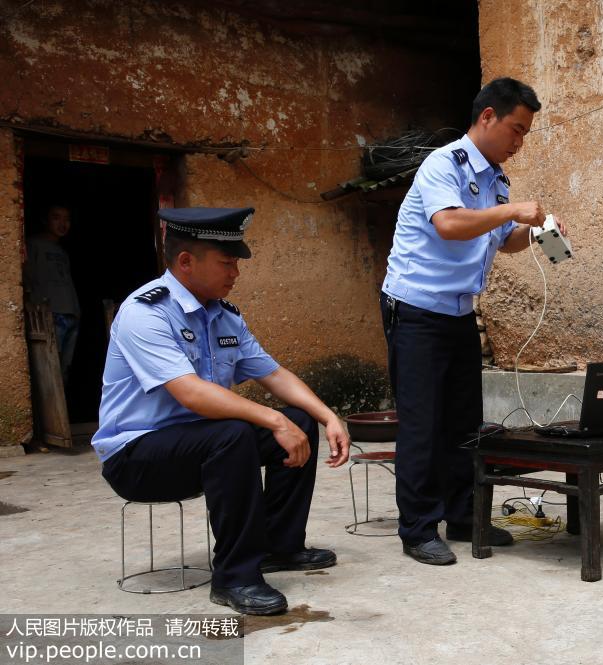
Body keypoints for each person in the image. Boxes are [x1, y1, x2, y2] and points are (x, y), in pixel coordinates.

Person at [92, 207, 351, 615]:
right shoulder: (146, 313)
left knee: (298, 420)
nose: (236, 273)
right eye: (227, 263)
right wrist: (272, 418)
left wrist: (327, 416)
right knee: (234, 433)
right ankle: (235, 577)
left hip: (203, 445)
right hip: (136, 456)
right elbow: (192, 395)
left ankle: (279, 546)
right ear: (185, 262)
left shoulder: (224, 315)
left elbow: (274, 373)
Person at [380, 77, 567, 565]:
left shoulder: (496, 179)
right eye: (516, 130)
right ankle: (418, 528)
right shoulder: (442, 164)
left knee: (464, 423)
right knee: (423, 423)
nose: (519, 142)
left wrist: (538, 232)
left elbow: (501, 241)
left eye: (525, 133)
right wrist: (512, 209)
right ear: (487, 117)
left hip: (459, 311)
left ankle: (464, 516)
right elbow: (449, 223)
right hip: (417, 308)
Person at [25, 204, 81, 384]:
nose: (62, 223)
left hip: (71, 314)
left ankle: (59, 412)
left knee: (64, 370)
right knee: (49, 370)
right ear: (45, 220)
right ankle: (50, 413)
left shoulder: (62, 252)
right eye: (56, 217)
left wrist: (77, 311)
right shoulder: (34, 245)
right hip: (50, 315)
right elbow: (27, 278)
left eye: (67, 219)